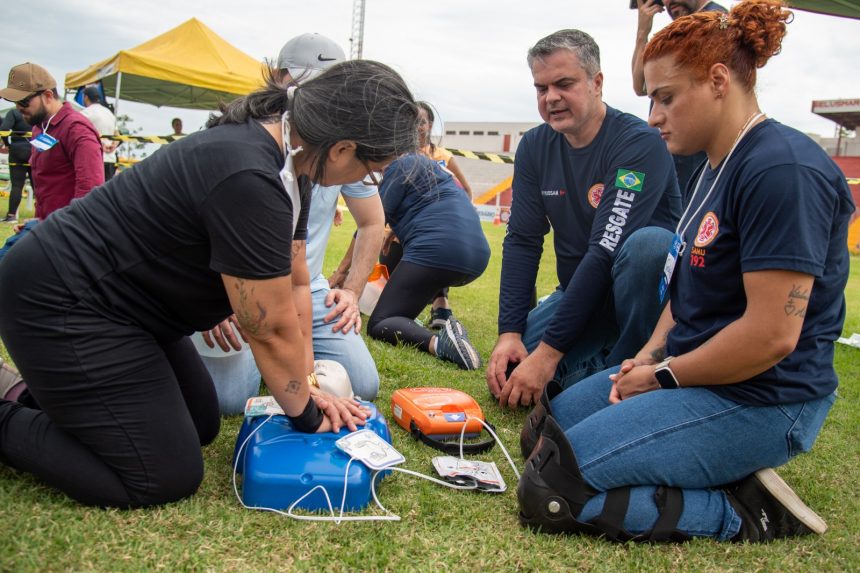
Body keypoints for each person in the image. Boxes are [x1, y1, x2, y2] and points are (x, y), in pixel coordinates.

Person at [0, 61, 419, 508]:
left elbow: (297, 282)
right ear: (342, 148)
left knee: (201, 422)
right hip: (62, 301)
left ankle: (44, 394)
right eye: (372, 170)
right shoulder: (250, 173)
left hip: (134, 310)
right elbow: (267, 326)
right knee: (160, 474)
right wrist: (308, 415)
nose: (366, 181)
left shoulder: (293, 164)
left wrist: (308, 381)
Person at [517, 0, 852, 543]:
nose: (653, 116)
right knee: (540, 432)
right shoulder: (711, 167)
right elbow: (685, 289)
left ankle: (745, 511)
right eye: (652, 99)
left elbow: (772, 335)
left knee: (550, 490)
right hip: (695, 372)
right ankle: (698, 459)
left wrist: (663, 377)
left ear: (718, 81)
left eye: (665, 98)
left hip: (762, 397)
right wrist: (650, 355)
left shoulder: (782, 169)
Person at [485, 29, 681, 408]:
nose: (551, 98)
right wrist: (509, 332)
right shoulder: (535, 146)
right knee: (513, 369)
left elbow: (605, 250)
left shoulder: (639, 143)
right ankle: (594, 371)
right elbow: (523, 240)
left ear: (597, 83)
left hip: (640, 303)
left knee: (650, 246)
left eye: (564, 84)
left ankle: (630, 370)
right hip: (579, 294)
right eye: (541, 88)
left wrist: (549, 354)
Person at [197, 33, 384, 413]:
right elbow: (196, 227)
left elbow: (372, 222)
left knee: (362, 383)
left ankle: (280, 359)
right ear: (279, 77)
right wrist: (209, 302)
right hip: (239, 284)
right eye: (306, 86)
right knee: (229, 399)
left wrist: (351, 291)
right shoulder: (245, 142)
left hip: (306, 288)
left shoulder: (339, 147)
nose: (316, 101)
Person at [365, 153, 490, 370]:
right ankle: (441, 310)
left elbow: (369, 228)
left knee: (379, 323)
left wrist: (343, 276)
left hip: (438, 252)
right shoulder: (433, 168)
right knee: (398, 250)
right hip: (476, 257)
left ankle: (441, 343)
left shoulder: (397, 166)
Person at [0, 62, 104, 259]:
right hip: (44, 228)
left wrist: (57, 232)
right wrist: (37, 221)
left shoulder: (77, 130)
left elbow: (90, 191)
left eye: (24, 102)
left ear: (48, 96)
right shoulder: (39, 128)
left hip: (65, 236)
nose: (18, 108)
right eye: (15, 102)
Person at [632, 0, 727, 191]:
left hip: (699, 159)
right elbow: (641, 86)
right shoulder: (677, 32)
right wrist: (642, 32)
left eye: (666, 98)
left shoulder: (714, 22)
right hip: (680, 159)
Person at [410, 101, 474, 330]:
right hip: (401, 230)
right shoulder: (398, 154)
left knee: (435, 244)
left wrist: (457, 218)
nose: (417, 126)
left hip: (434, 228)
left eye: (422, 122)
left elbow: (466, 190)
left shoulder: (442, 156)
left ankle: (441, 304)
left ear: (430, 125)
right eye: (412, 121)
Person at [0, 108, 33, 223]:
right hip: (36, 149)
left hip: (17, 150)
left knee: (17, 186)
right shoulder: (38, 110)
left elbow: (4, 129)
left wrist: (7, 144)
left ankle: (11, 216)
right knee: (37, 185)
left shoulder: (14, 112)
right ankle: (41, 215)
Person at [80, 86, 119, 181]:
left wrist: (101, 144)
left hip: (95, 158)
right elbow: (117, 134)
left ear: (86, 97)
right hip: (110, 159)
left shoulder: (85, 113)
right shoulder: (109, 113)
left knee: (93, 188)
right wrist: (113, 145)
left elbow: (81, 134)